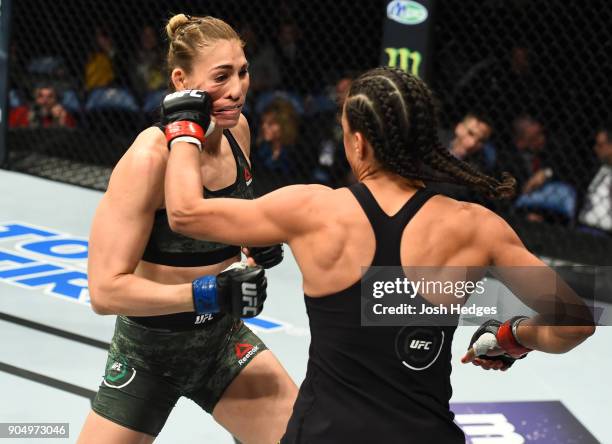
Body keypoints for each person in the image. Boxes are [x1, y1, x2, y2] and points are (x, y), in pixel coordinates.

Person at [162, 67, 595, 443]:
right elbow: (575, 322)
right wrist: (516, 336)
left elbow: (184, 212)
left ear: (359, 142)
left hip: (324, 435)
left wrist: (184, 124)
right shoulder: (476, 227)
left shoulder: (313, 210)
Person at [77, 14, 297, 444]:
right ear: (182, 80)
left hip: (221, 340)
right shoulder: (149, 159)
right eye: (221, 76)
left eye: (242, 71)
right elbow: (105, 291)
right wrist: (205, 292)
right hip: (148, 354)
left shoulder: (239, 133)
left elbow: (222, 226)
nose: (237, 89)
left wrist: (254, 241)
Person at [577, 125, 612, 235]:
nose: (595, 148)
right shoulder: (597, 169)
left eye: (600, 145)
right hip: (583, 227)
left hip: (606, 233)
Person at [9, 84, 76, 129]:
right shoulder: (22, 112)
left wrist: (61, 122)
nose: (45, 100)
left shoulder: (63, 114)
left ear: (56, 100)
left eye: (50, 96)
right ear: (35, 98)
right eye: (40, 96)